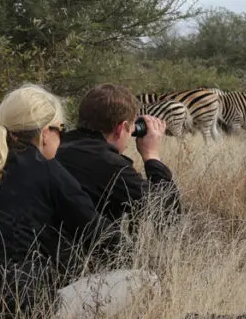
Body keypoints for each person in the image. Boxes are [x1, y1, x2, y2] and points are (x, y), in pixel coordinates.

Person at [0, 84, 123, 319]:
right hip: (27, 315)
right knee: (149, 280)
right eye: (60, 129)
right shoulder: (48, 171)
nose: (61, 136)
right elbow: (99, 235)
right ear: (45, 132)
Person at [55, 83, 181, 232]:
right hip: (84, 253)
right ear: (121, 128)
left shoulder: (55, 147)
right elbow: (169, 214)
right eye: (131, 129)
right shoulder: (109, 165)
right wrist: (151, 156)